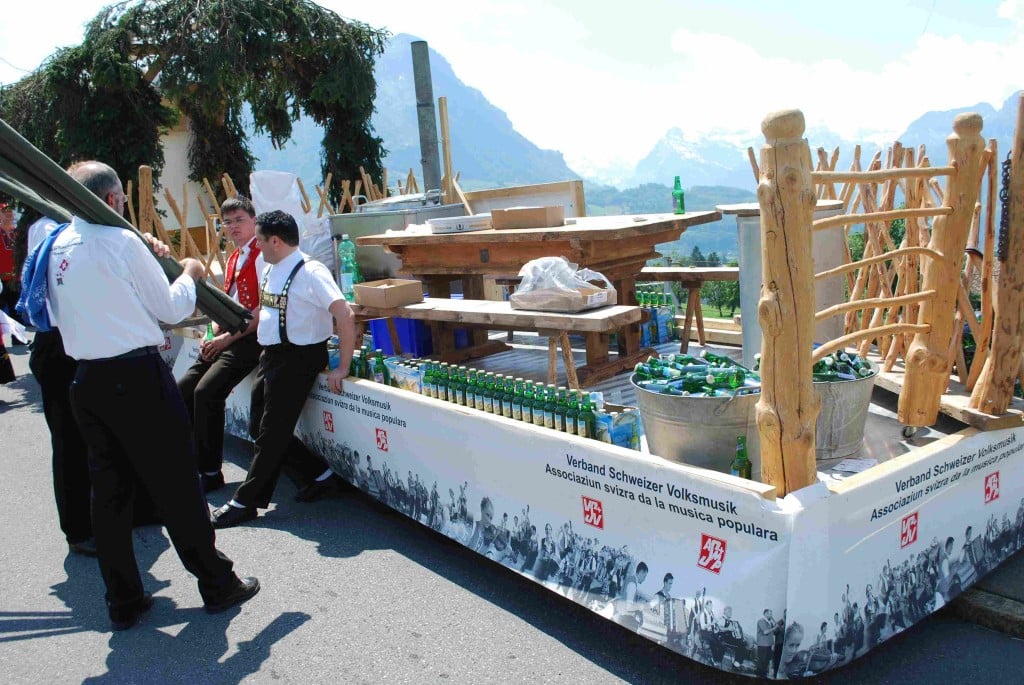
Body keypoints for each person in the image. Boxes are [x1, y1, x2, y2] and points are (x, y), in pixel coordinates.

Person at [39, 161, 259, 629]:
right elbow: (171, 307)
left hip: (86, 379)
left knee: (109, 493)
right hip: (135, 376)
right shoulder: (121, 241)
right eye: (121, 199)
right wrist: (191, 272)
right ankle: (217, 583)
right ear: (112, 199)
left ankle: (123, 599)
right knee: (176, 483)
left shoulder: (55, 245)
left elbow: (57, 316)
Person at [211, 210, 355, 528]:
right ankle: (321, 476)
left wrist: (342, 366)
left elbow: (344, 314)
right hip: (273, 356)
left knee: (271, 434)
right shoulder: (271, 267)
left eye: (260, 240)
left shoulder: (311, 271)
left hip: (298, 358)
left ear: (275, 241)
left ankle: (245, 502)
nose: (257, 246)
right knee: (257, 427)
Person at [177, 196, 263, 493]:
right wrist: (212, 334)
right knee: (182, 390)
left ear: (254, 220)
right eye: (228, 222)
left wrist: (226, 338)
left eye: (239, 220)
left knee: (207, 392)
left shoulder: (263, 255)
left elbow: (263, 310)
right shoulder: (236, 257)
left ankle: (210, 471)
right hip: (230, 333)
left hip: (252, 337)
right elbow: (227, 304)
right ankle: (190, 462)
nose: (233, 227)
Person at [19, 214, 94, 554]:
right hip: (59, 343)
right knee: (69, 441)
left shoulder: (65, 226)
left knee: (95, 436)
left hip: (75, 341)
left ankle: (111, 512)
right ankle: (78, 529)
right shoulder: (51, 228)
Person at [755, 609, 775, 677]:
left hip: (768, 644)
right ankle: (760, 675)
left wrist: (775, 625)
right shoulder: (761, 621)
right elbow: (765, 632)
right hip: (763, 644)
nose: (771, 615)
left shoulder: (769, 622)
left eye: (771, 614)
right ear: (765, 614)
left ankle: (763, 675)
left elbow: (774, 632)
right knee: (762, 661)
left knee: (766, 661)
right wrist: (775, 628)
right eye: (770, 614)